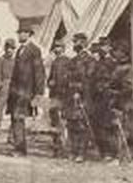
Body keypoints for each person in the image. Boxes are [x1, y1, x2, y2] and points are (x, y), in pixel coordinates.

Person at [6, 23, 45, 156]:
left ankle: (20, 149)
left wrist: (38, 94)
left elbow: (39, 72)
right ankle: (19, 147)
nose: (19, 35)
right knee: (15, 118)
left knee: (18, 118)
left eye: (22, 33)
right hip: (16, 93)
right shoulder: (19, 50)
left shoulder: (34, 50)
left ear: (29, 34)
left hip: (26, 92)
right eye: (19, 33)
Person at [65, 32, 96, 163]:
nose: (74, 44)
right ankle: (73, 151)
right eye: (74, 42)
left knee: (82, 124)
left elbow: (88, 78)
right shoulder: (73, 60)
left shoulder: (90, 60)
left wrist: (79, 89)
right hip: (71, 96)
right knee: (71, 123)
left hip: (84, 96)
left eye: (76, 42)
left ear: (84, 43)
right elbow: (68, 76)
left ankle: (81, 153)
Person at [90, 37, 117, 159]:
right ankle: (102, 151)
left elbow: (114, 79)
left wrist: (106, 87)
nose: (103, 48)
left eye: (105, 46)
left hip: (108, 96)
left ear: (109, 47)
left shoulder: (112, 61)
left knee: (107, 124)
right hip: (97, 96)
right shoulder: (97, 61)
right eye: (101, 46)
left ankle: (111, 152)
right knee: (97, 123)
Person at [47, 39, 69, 157]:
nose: (56, 49)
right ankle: (56, 147)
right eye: (55, 47)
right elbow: (50, 77)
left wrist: (59, 84)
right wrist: (49, 82)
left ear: (63, 48)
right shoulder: (54, 62)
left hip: (62, 95)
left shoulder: (67, 61)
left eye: (59, 47)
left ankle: (64, 148)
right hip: (53, 95)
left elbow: (67, 79)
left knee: (62, 122)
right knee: (54, 121)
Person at [1, 38, 17, 143]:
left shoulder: (16, 61)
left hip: (14, 87)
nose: (9, 50)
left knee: (14, 112)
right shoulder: (1, 60)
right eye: (8, 48)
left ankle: (12, 136)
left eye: (12, 48)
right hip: (2, 86)